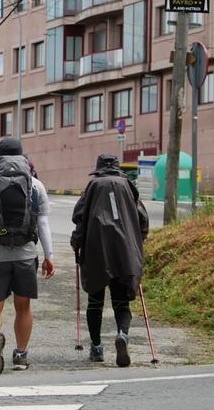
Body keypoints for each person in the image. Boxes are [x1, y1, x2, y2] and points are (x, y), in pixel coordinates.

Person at [0, 138, 55, 374]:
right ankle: (20, 356)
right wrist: (49, 255)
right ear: (23, 158)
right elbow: (44, 223)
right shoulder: (35, 185)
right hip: (25, 254)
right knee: (23, 307)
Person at [70, 155, 149, 368]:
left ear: (98, 169)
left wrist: (76, 242)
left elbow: (79, 217)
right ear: (117, 168)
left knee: (95, 301)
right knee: (121, 301)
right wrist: (138, 244)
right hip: (125, 250)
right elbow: (143, 220)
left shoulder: (93, 185)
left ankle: (96, 348)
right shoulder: (127, 185)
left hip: (96, 248)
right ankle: (122, 335)